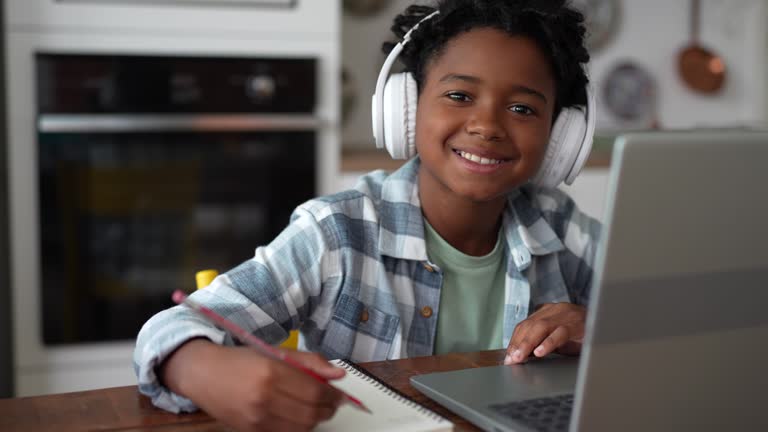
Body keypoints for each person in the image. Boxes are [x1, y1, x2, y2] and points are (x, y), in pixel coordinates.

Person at [134, 0, 601, 430]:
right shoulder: (337, 232)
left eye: (522, 108)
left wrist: (600, 327)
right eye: (459, 95)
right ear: (407, 108)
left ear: (560, 139)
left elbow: (671, 314)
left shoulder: (560, 227)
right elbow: (170, 327)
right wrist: (200, 368)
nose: (487, 126)